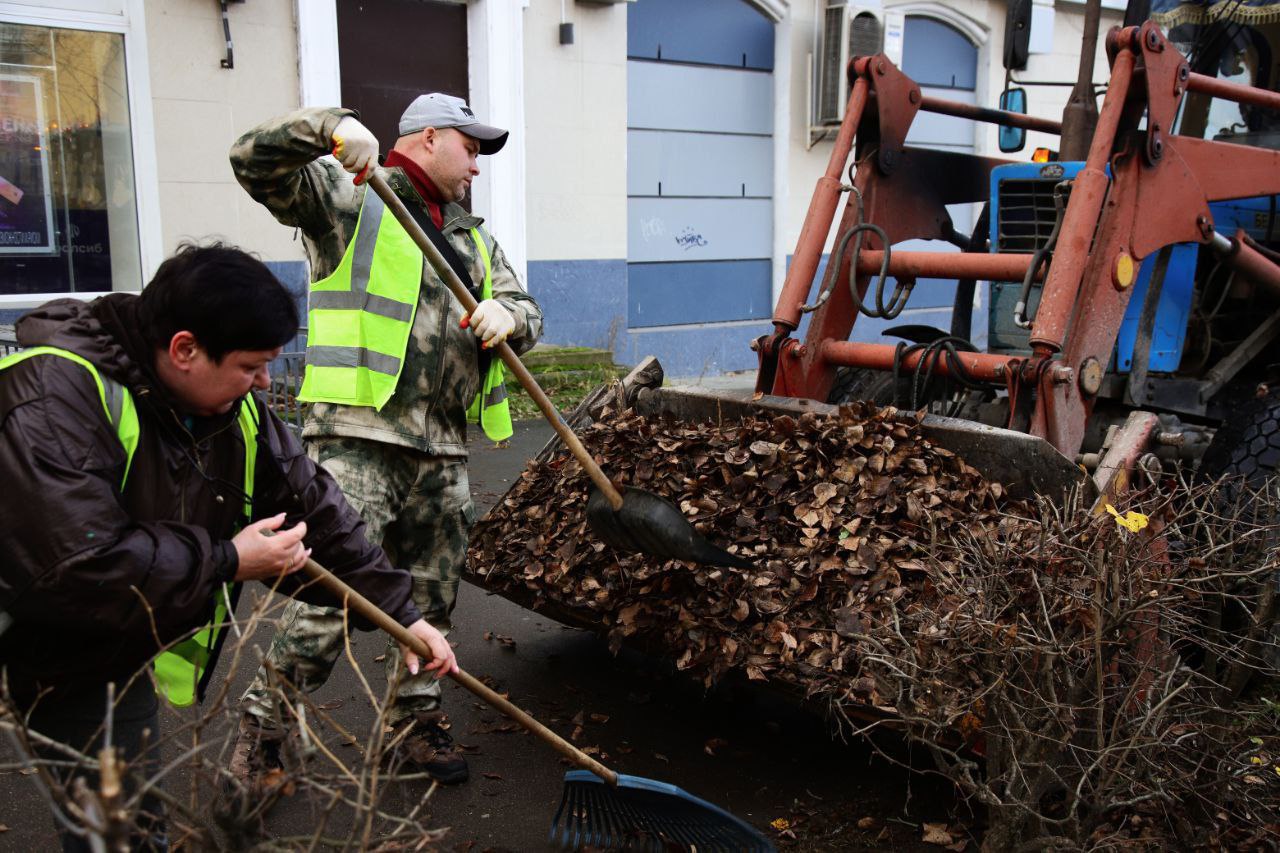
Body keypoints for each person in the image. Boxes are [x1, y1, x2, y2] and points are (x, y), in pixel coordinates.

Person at [0, 243, 456, 851]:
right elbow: (73, 566)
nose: (264, 383)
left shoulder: (230, 408)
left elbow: (314, 512)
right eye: (251, 366)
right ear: (185, 349)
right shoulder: (52, 398)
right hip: (49, 634)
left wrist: (402, 614)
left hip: (106, 647)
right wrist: (229, 560)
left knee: (125, 827)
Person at [229, 93, 543, 785]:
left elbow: (527, 307)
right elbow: (251, 158)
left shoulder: (473, 238)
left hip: (443, 447)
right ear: (428, 138)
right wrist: (328, 127)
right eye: (471, 149)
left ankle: (413, 726)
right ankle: (264, 733)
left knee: (431, 601)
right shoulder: (348, 197)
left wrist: (510, 316)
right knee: (332, 598)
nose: (478, 166)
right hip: (358, 438)